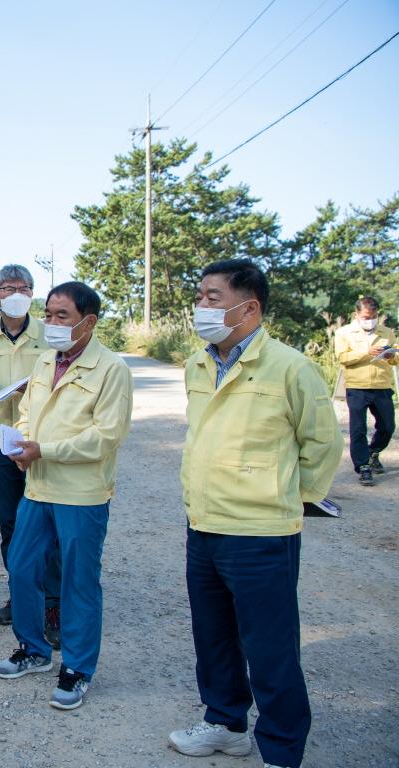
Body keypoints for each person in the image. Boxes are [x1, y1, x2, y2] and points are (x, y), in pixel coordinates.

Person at [167, 259, 342, 768]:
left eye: (213, 298)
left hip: (262, 532)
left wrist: (286, 496)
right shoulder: (198, 364)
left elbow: (322, 445)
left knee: (270, 648)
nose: (201, 307)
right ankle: (224, 723)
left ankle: (283, 750)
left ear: (250, 307)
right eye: (199, 297)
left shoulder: (289, 366)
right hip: (203, 524)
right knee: (213, 635)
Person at [0, 281, 132, 712]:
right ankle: (33, 649)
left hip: (82, 494)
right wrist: (23, 444)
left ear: (88, 322)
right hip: (39, 486)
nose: (50, 324)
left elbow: (105, 437)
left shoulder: (111, 369)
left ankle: (78, 668)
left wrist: (44, 450)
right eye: (48, 314)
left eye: (62, 316)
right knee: (21, 566)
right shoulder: (44, 360)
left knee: (77, 580)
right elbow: (29, 411)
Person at [0, 264, 62, 645]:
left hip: (39, 442)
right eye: (8, 288)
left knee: (48, 524)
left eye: (24, 287)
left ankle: (53, 605)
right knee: (11, 525)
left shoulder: (50, 336)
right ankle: (21, 595)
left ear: (34, 293)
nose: (16, 293)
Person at [334, 295, 396, 486]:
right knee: (358, 428)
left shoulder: (387, 332)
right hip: (357, 387)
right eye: (367, 316)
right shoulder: (344, 332)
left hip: (382, 385)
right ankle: (363, 467)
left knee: (387, 426)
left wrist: (392, 355)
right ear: (357, 314)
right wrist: (366, 353)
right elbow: (342, 357)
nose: (370, 320)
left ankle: (372, 452)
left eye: (374, 316)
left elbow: (394, 359)